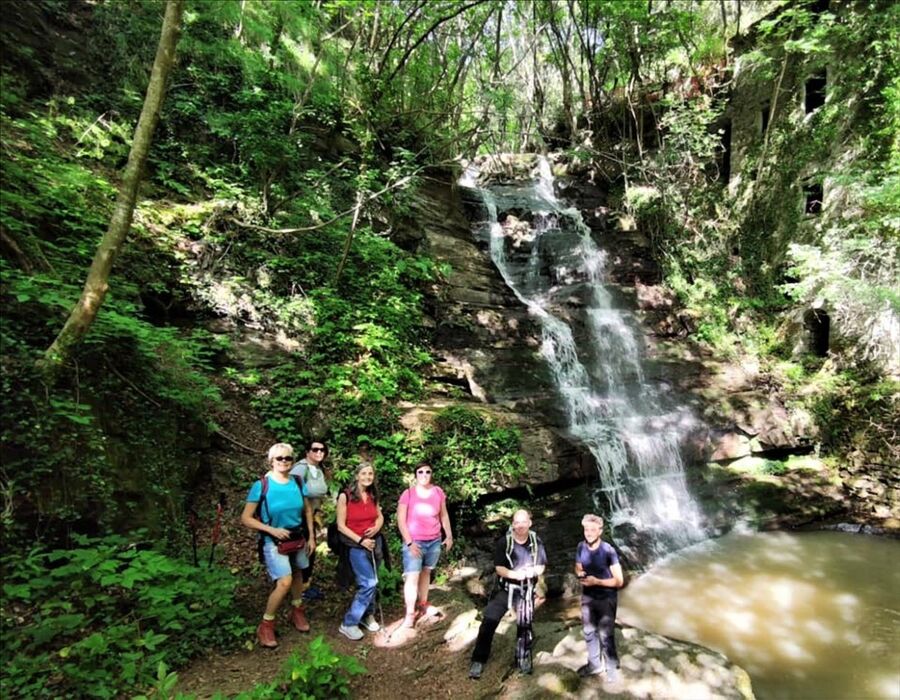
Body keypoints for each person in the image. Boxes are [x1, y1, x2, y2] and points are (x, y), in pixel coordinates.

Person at [240, 443, 316, 648]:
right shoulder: (262, 485)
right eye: (279, 458)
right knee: (284, 581)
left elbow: (307, 511)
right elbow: (246, 518)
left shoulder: (298, 482)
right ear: (271, 461)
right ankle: (266, 623)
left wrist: (312, 537)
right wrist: (271, 530)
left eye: (288, 458)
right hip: (273, 540)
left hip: (297, 536)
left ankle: (297, 610)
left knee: (299, 572)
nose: (284, 462)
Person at [469, 509, 547, 679]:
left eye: (523, 522)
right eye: (516, 522)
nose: (520, 526)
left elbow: (541, 566)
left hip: (526, 590)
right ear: (513, 524)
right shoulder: (505, 542)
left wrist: (531, 572)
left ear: (529, 523)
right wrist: (516, 575)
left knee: (524, 624)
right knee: (489, 620)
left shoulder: (536, 541)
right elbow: (499, 568)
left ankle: (523, 657)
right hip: (507, 589)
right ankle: (478, 659)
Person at [397, 462, 453, 627]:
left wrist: (448, 535)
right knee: (412, 575)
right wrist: (409, 542)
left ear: (431, 474)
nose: (424, 474)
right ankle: (409, 613)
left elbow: (444, 515)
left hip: (434, 540)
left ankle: (423, 603)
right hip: (415, 541)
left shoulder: (438, 492)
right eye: (420, 472)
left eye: (428, 472)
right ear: (415, 475)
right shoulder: (408, 494)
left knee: (426, 572)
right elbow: (401, 519)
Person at [335, 462, 385, 641]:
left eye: (370, 474)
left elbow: (380, 516)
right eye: (364, 473)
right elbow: (340, 525)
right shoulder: (345, 496)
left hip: (374, 543)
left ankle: (367, 615)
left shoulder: (373, 494)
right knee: (369, 583)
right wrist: (362, 540)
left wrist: (376, 528)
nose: (367, 477)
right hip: (355, 545)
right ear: (357, 476)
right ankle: (348, 623)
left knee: (373, 580)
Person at [575, 514, 624, 681]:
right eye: (586, 529)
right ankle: (595, 665)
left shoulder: (608, 551)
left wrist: (597, 581)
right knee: (589, 632)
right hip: (588, 597)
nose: (588, 533)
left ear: (600, 531)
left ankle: (611, 667)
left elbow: (619, 581)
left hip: (606, 598)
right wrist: (579, 572)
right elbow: (578, 565)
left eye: (592, 530)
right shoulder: (581, 546)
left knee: (605, 633)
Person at [290, 439, 329, 600]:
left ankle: (305, 584)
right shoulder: (300, 469)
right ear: (307, 452)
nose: (319, 452)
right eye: (315, 449)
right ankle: (299, 587)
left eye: (322, 450)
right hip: (299, 518)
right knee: (303, 550)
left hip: (312, 516)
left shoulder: (318, 469)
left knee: (310, 550)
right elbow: (292, 491)